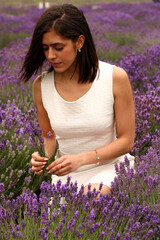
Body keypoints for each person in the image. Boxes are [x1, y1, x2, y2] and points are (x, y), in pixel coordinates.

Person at [20, 4, 135, 196]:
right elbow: (48, 135)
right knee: (60, 222)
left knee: (90, 199)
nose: (50, 56)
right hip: (67, 173)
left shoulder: (114, 77)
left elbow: (126, 140)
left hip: (110, 167)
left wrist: (82, 159)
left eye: (58, 48)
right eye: (45, 48)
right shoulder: (41, 86)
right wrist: (42, 155)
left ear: (79, 42)